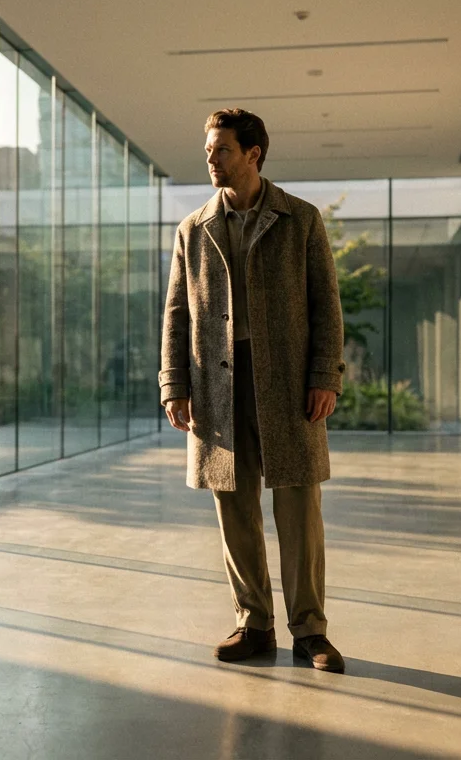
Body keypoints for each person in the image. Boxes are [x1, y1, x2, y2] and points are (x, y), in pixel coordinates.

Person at [159, 108, 346, 671]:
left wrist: (324, 377)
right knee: (233, 508)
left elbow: (326, 309)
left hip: (288, 384)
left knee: (298, 510)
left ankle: (310, 632)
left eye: (220, 150)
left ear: (253, 154)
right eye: (208, 150)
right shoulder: (193, 228)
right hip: (218, 385)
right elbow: (175, 313)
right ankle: (254, 624)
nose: (210, 160)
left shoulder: (301, 220)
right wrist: (174, 384)